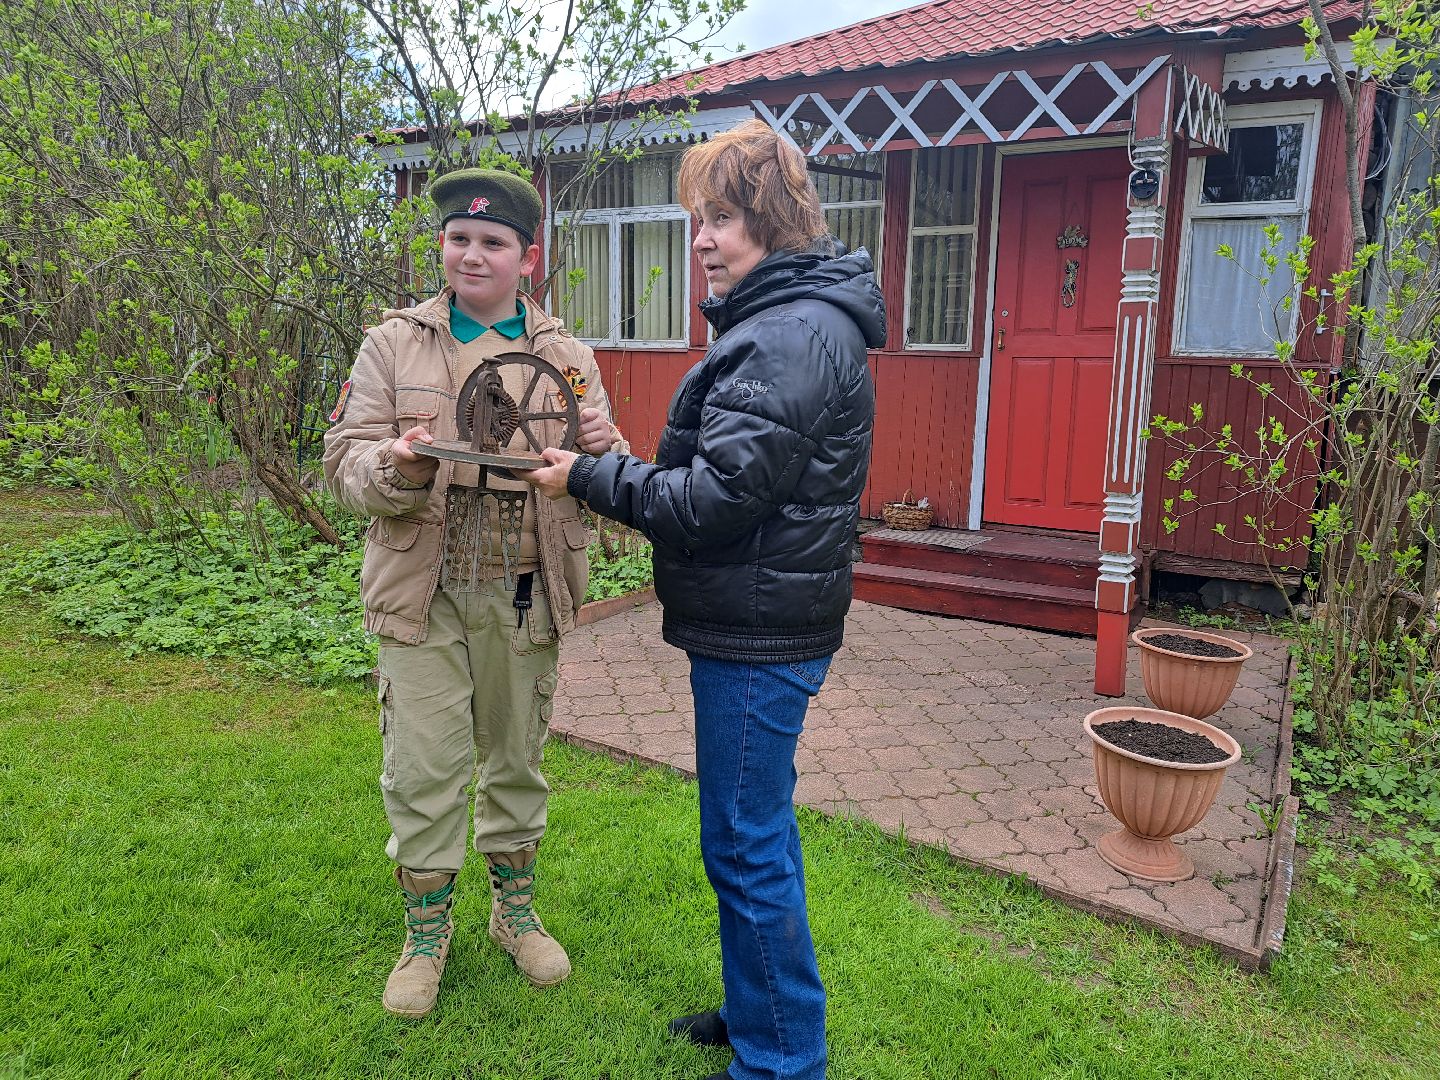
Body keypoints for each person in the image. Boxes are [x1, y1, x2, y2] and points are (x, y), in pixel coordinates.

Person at [525, 120, 883, 1080]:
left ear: (771, 218)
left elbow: (715, 503)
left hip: (761, 636)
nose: (702, 238)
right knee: (750, 832)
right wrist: (613, 457)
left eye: (720, 217)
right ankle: (757, 1010)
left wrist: (590, 481)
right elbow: (722, 473)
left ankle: (780, 1061)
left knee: (745, 844)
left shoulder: (791, 335)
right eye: (696, 218)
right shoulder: (785, 324)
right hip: (759, 619)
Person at [323, 167, 627, 1019]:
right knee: (422, 767)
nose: (472, 253)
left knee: (516, 763)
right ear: (444, 245)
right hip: (424, 592)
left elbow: (601, 473)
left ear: (527, 259)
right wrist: (397, 463)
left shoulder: (566, 357)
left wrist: (602, 452)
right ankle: (424, 935)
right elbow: (342, 464)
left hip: (524, 593)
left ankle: (514, 915)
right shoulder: (393, 345)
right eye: (459, 238)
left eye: (493, 242)